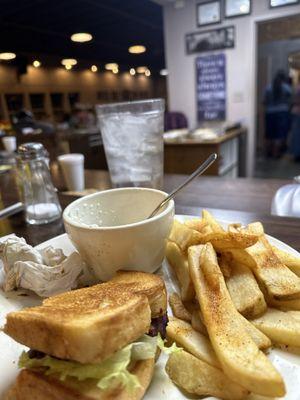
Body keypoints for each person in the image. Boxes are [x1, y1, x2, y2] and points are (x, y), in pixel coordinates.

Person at [263, 70, 291, 158]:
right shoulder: (286, 87)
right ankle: (276, 153)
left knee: (269, 134)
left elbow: (264, 101)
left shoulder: (268, 88)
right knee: (279, 134)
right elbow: (290, 99)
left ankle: (268, 152)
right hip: (282, 113)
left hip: (270, 112)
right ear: (283, 79)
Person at [290, 84, 300, 162]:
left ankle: (296, 154)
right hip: (297, 112)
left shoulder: (297, 88)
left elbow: (293, 100)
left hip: (297, 112)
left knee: (296, 134)